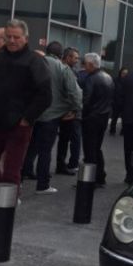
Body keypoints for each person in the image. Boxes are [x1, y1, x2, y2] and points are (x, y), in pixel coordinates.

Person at [0, 19, 52, 203]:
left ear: (25, 38)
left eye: (16, 37)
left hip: (18, 125)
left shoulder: (35, 61)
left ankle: (7, 203)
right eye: (8, 36)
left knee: (11, 169)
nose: (11, 40)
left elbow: (45, 94)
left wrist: (27, 118)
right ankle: (5, 194)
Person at [22, 41, 82, 194]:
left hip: (33, 114)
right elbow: (75, 92)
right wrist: (75, 110)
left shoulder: (34, 64)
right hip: (52, 115)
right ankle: (43, 185)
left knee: (31, 146)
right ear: (61, 55)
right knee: (45, 150)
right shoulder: (63, 68)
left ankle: (21, 176)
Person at [79, 53, 114, 187]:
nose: (84, 66)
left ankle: (90, 180)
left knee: (90, 150)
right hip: (103, 117)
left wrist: (83, 115)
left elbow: (86, 100)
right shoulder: (108, 77)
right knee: (97, 148)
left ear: (91, 64)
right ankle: (100, 176)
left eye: (85, 64)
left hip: (91, 118)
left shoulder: (91, 79)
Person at [56, 47, 81, 175]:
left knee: (64, 139)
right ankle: (63, 165)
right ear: (68, 57)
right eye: (75, 58)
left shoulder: (70, 70)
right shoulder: (65, 70)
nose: (77, 61)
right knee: (67, 139)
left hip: (64, 110)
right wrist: (76, 109)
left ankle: (61, 164)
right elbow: (73, 92)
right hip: (67, 111)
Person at [110, 66, 128, 135]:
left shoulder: (128, 81)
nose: (124, 75)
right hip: (116, 102)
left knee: (124, 118)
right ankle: (112, 130)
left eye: (126, 74)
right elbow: (112, 90)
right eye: (123, 73)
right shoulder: (115, 80)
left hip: (124, 102)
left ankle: (123, 131)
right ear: (120, 73)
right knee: (114, 117)